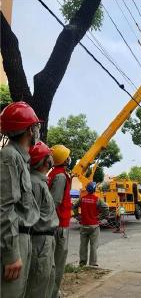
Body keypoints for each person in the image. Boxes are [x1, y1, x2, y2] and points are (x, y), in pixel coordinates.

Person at [0, 102, 41, 298]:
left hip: (24, 237)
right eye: (35, 126)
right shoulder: (9, 156)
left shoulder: (21, 158)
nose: (37, 130)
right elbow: (4, 207)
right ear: (29, 130)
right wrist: (11, 254)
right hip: (15, 240)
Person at [25, 142, 59, 298]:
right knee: (37, 285)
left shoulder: (40, 182)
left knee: (46, 280)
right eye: (49, 156)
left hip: (46, 240)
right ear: (45, 161)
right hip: (40, 241)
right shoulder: (35, 183)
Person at [48, 144, 72, 298]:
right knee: (58, 262)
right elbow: (55, 201)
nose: (70, 158)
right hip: (60, 225)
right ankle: (53, 293)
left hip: (56, 223)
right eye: (68, 156)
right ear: (64, 159)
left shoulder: (55, 173)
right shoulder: (61, 176)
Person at [74, 182, 109, 267]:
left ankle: (82, 263)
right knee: (93, 246)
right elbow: (106, 208)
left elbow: (74, 206)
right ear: (94, 189)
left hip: (83, 225)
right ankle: (92, 263)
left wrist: (77, 216)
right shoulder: (97, 199)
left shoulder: (82, 199)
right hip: (94, 226)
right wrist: (100, 217)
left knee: (83, 245)